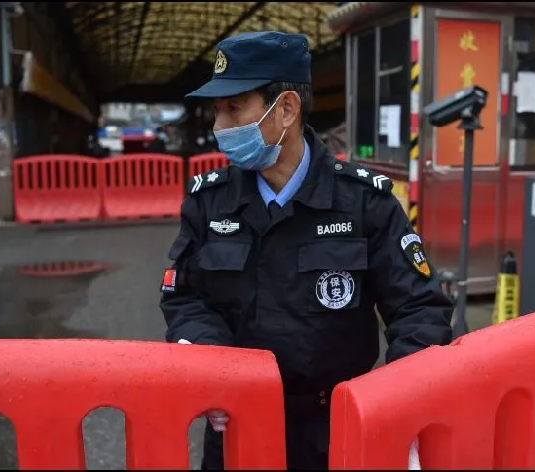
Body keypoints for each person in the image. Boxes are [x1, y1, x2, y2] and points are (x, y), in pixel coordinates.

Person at [159, 31, 453, 470]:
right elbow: (186, 297)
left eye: (234, 108)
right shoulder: (209, 202)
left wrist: (401, 404)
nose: (220, 127)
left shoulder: (363, 202)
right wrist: (214, 365)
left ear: (287, 109)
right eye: (217, 112)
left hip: (336, 428)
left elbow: (420, 308)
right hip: (236, 428)